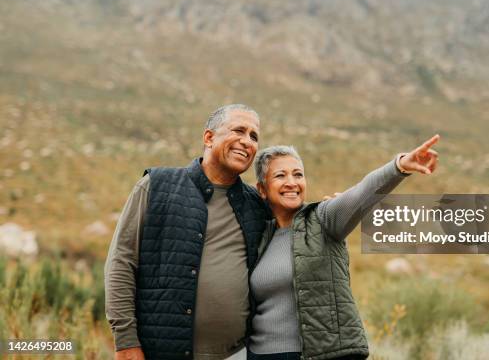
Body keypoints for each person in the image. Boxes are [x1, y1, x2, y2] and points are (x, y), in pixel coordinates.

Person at [249, 135, 440, 360]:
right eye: (280, 175)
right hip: (259, 355)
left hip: (319, 355)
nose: (292, 182)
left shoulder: (324, 219)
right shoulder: (258, 235)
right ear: (262, 189)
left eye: (298, 174)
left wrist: (398, 167)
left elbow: (362, 193)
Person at [104, 104, 269, 360]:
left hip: (237, 354)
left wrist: (333, 205)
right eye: (239, 130)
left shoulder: (257, 205)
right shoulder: (156, 186)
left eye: (254, 136)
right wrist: (126, 342)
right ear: (209, 137)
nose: (246, 141)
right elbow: (121, 263)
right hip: (159, 352)